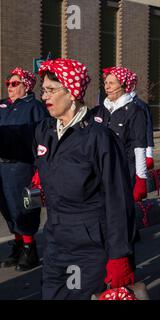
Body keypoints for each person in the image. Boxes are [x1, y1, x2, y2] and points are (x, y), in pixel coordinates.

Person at [0, 58, 135, 299]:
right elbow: (11, 138)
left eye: (52, 90)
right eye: (43, 90)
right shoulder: (45, 131)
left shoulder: (99, 137)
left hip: (89, 246)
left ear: (72, 93)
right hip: (55, 240)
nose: (44, 96)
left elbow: (119, 200)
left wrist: (119, 255)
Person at [0, 67, 49, 271]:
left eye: (14, 83)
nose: (10, 87)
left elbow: (42, 137)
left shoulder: (35, 107)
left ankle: (30, 248)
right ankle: (19, 244)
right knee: (8, 209)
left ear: (26, 85)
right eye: (8, 84)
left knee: (24, 207)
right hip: (2, 165)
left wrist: (40, 168)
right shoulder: (2, 105)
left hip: (22, 166)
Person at [92, 67, 148, 202]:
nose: (107, 87)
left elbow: (139, 145)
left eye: (112, 83)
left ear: (123, 85)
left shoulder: (135, 111)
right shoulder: (99, 110)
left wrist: (141, 177)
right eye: (105, 83)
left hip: (123, 170)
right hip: (100, 170)